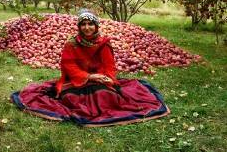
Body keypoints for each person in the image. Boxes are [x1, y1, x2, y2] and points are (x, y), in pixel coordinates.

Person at [11, 9, 170, 127]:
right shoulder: (71, 43)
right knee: (71, 99)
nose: (87, 27)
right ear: (79, 27)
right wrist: (89, 76)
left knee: (108, 97)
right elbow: (69, 65)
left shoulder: (103, 43)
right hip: (76, 79)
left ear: (96, 25)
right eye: (84, 24)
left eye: (90, 24)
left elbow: (109, 66)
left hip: (99, 77)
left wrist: (108, 77)